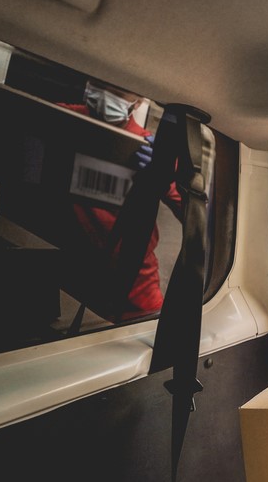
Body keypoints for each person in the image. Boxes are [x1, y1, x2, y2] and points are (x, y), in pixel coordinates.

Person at [59, 79, 182, 320]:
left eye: (119, 90)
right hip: (72, 281)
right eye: (100, 84)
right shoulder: (65, 120)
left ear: (140, 100)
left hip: (134, 292)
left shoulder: (149, 149)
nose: (107, 94)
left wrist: (164, 175)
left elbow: (193, 214)